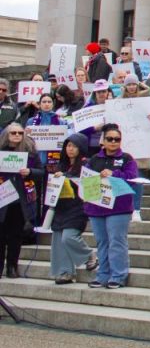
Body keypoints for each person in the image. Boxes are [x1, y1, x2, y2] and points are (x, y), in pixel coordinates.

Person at [85, 123, 138, 289]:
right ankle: (103, 275)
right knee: (102, 242)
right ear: (103, 140)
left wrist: (114, 174)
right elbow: (86, 179)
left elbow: (132, 178)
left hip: (119, 207)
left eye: (117, 139)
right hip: (97, 206)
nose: (114, 142)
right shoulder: (94, 159)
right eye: (110, 139)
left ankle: (119, 275)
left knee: (117, 241)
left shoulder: (127, 158)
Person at [49, 133, 97, 284]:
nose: (70, 149)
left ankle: (89, 255)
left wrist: (65, 176)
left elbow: (88, 183)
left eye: (74, 146)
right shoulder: (61, 164)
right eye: (68, 146)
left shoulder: (86, 163)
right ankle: (65, 272)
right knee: (58, 240)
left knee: (69, 237)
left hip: (78, 206)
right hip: (61, 205)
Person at [0, 124, 43, 277]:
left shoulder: (30, 152)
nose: (17, 135)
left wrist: (30, 172)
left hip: (21, 200)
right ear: (7, 134)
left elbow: (41, 172)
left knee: (15, 235)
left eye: (20, 132)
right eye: (13, 133)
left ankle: (12, 266)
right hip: (2, 199)